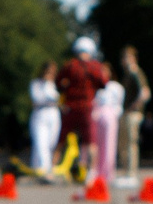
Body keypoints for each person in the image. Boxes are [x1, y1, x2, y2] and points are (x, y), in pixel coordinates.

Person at [55, 36, 111, 176]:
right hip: (87, 108)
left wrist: (67, 88)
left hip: (70, 107)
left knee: (61, 140)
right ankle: (91, 172)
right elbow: (103, 83)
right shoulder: (94, 66)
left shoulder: (70, 65)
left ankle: (51, 169)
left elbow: (58, 82)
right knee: (91, 141)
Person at [118, 46, 150, 184]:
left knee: (131, 143)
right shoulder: (128, 74)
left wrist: (134, 106)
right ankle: (126, 173)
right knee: (124, 143)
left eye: (127, 57)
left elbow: (145, 93)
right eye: (123, 57)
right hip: (127, 113)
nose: (124, 60)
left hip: (132, 114)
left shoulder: (135, 72)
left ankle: (131, 174)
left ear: (133, 58)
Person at [91, 77, 124, 189]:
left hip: (110, 115)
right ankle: (95, 172)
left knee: (109, 145)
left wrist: (115, 113)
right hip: (97, 115)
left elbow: (119, 103)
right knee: (96, 145)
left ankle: (107, 173)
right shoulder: (96, 85)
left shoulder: (115, 86)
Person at [28, 63, 60, 174]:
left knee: (51, 143)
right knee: (41, 143)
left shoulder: (56, 84)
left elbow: (58, 98)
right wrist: (46, 85)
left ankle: (39, 168)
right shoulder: (36, 84)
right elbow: (37, 99)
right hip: (40, 113)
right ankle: (44, 170)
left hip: (53, 114)